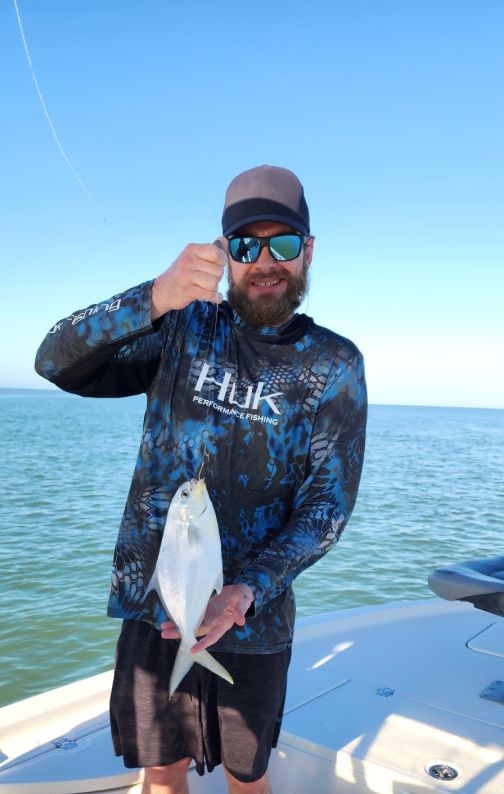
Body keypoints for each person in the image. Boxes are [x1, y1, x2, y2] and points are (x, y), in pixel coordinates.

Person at [35, 165, 367, 794]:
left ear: (309, 252)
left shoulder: (334, 364)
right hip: (156, 607)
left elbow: (327, 508)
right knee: (161, 773)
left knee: (248, 779)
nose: (264, 260)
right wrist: (153, 296)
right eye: (245, 244)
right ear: (224, 254)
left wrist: (246, 589)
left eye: (284, 243)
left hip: (253, 619)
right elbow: (53, 360)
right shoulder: (183, 327)